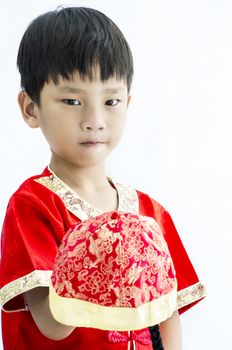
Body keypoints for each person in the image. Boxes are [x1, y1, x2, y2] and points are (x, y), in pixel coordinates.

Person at [0, 6, 206, 350]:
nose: (95, 119)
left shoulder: (149, 212)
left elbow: (166, 315)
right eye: (71, 100)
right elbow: (52, 325)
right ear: (30, 107)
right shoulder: (34, 205)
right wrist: (98, 252)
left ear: (127, 103)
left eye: (110, 100)